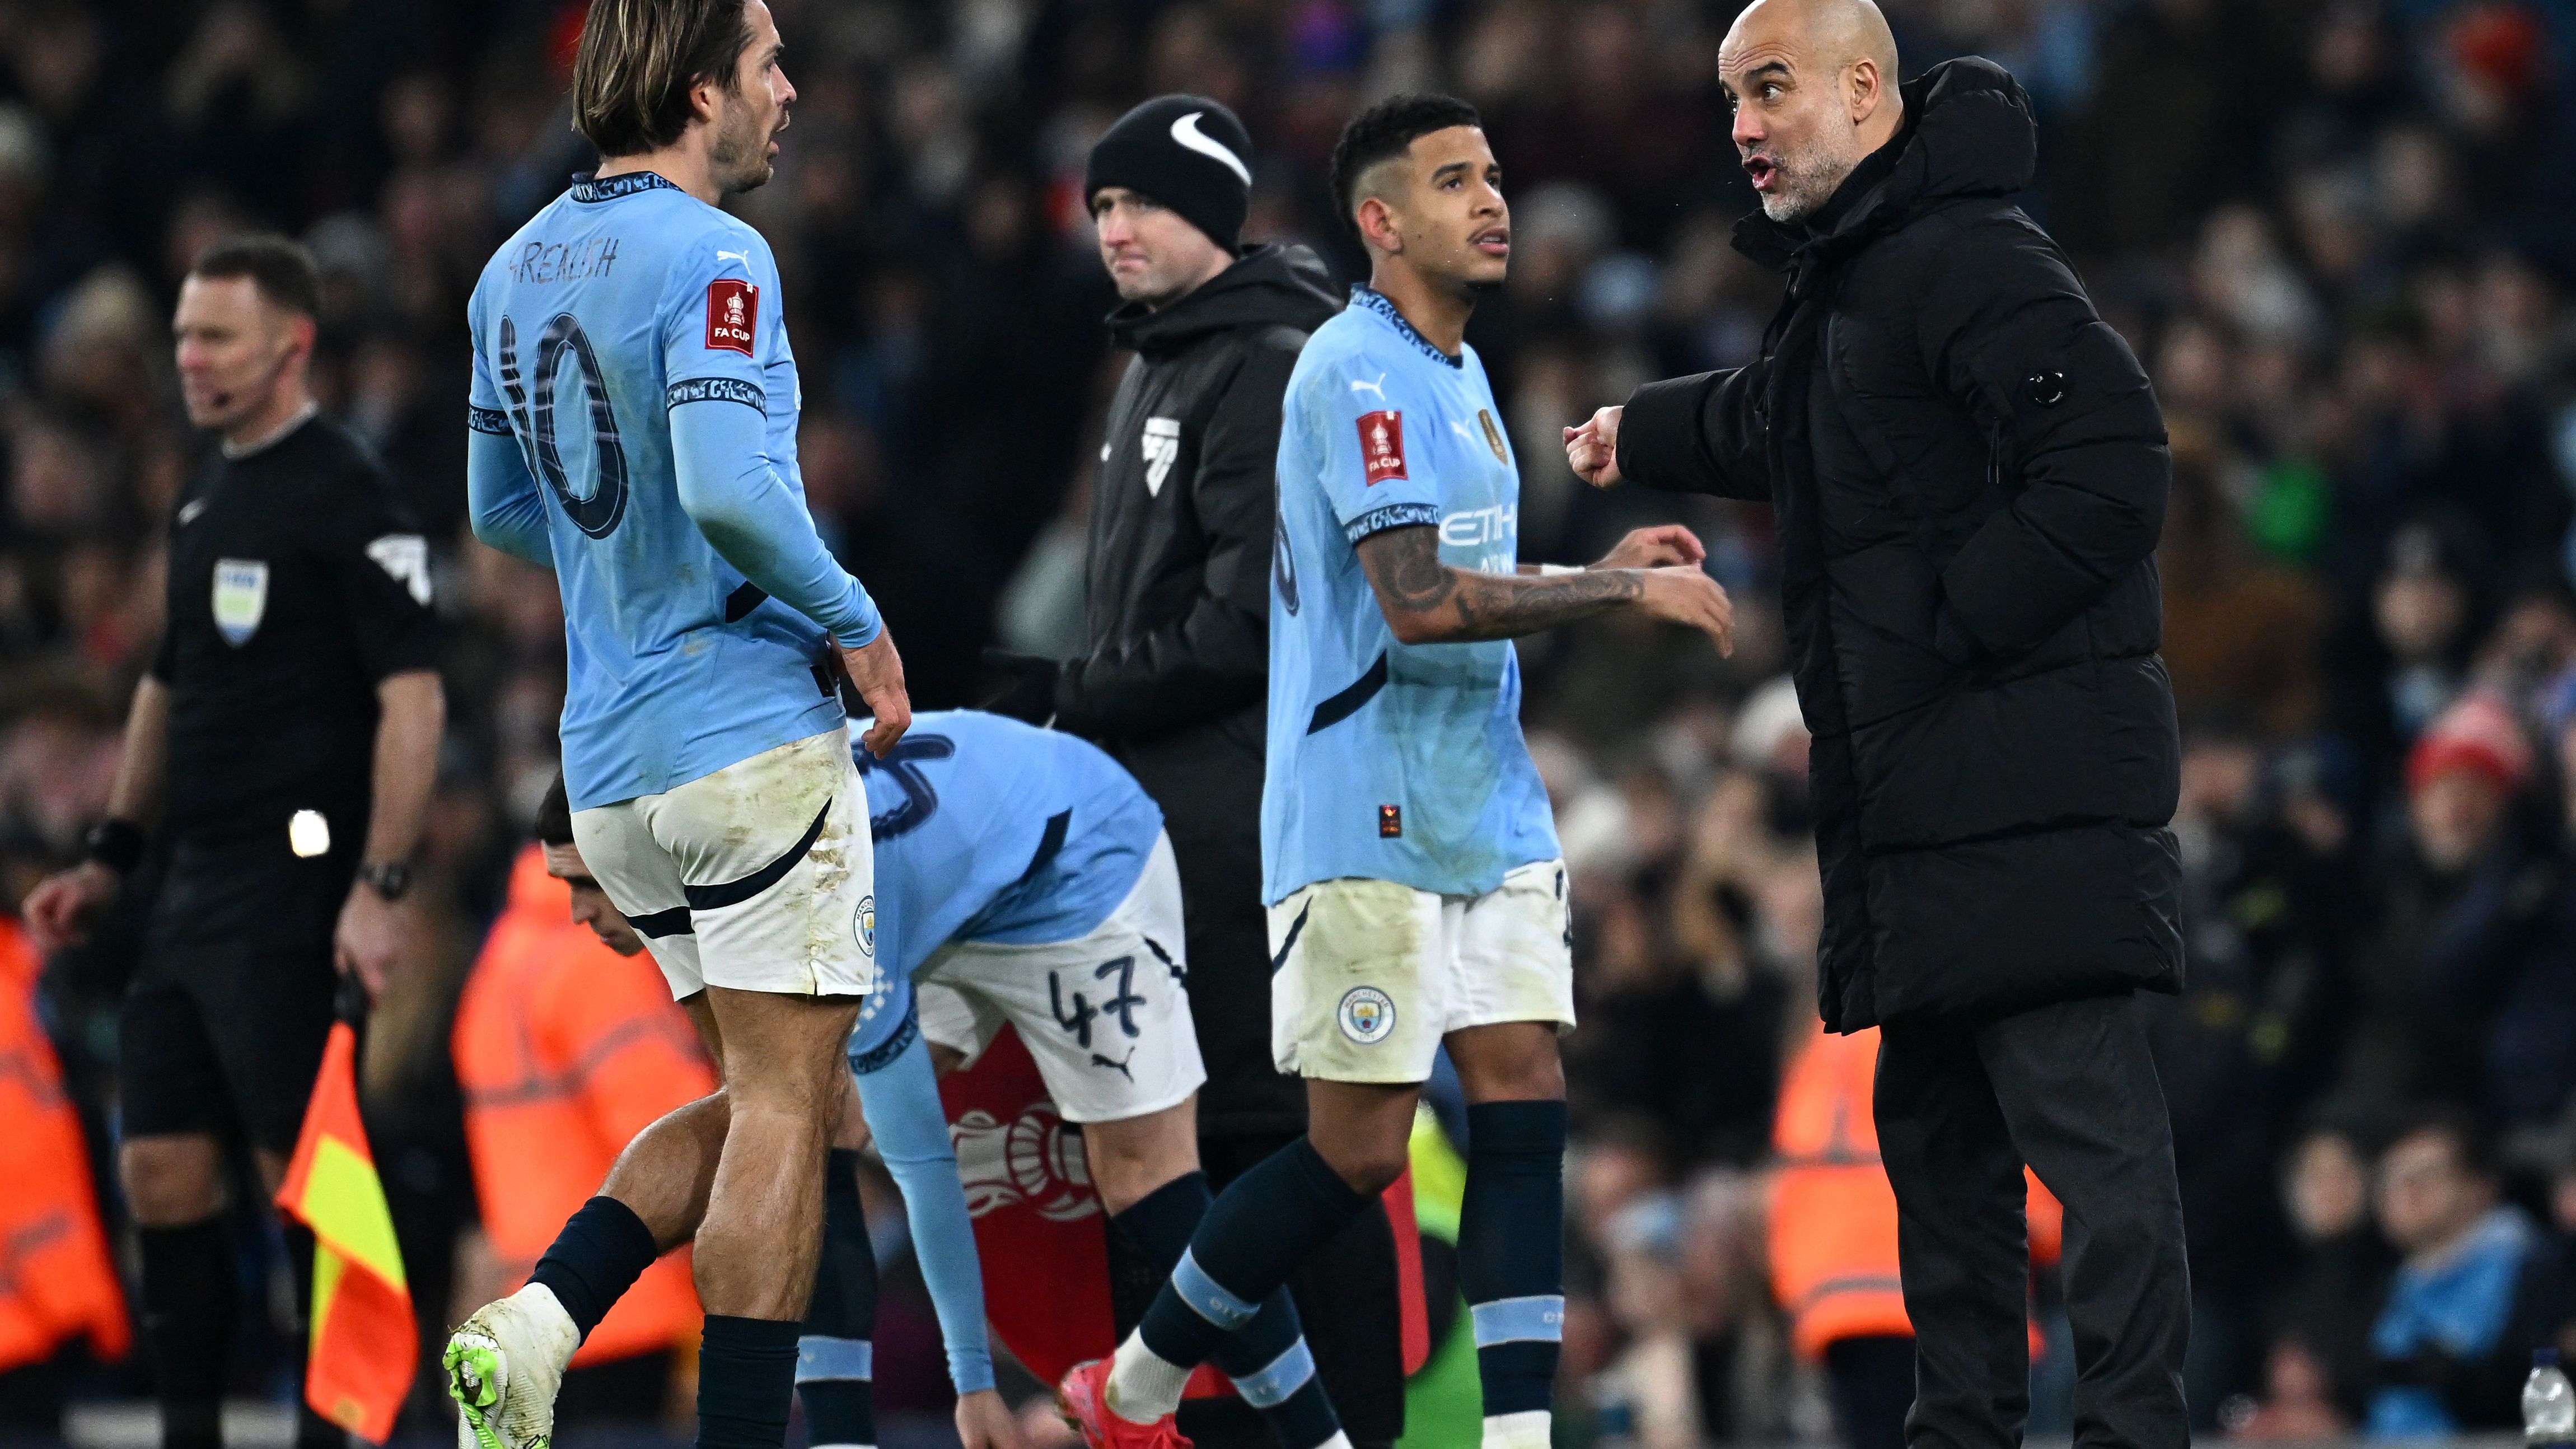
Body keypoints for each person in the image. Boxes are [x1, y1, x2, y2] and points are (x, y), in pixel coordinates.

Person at [1058, 93, 1735, 1449]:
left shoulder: (1464, 378)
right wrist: (1609, 592)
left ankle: (1516, 1434)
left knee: (1525, 1087)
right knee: (1357, 1152)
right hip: (1357, 812)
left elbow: (1459, 576)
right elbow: (1419, 600)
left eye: (1491, 173)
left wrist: (1602, 573)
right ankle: (1134, 1380)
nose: (1491, 200)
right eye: (1452, 182)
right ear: (1380, 223)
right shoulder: (1347, 371)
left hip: (1481, 800)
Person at [1562, 2, 2191, 1446]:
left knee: (2084, 1145)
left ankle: (2133, 1430)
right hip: (1923, 803)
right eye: (1731, 95)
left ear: (1864, 90)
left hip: (2016, 789)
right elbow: (1795, 420)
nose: (1743, 124)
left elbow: (2113, 461)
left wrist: (1949, 626)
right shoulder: (1868, 277)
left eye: (1770, 87)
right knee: (1942, 1159)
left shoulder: (1968, 253)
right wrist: (1638, 428)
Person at [448, 3, 911, 1447]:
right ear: (701, 86)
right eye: (771, 65)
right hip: (743, 732)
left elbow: (495, 510)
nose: (793, 92)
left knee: (768, 1087)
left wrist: (624, 570)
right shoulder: (719, 252)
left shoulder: (506, 271)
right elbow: (726, 483)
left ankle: (542, 1316)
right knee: (788, 1101)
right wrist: (851, 615)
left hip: (610, 762)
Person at [983, 92, 1401, 1449]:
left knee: (1269, 1142)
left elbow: (1245, 622)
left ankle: (1344, 1427)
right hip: (1167, 824)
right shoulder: (1162, 362)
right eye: (1100, 206)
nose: (1114, 229)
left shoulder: (1267, 364)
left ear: (1215, 213)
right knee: (1189, 1150)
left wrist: (1070, 695)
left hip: (1241, 829)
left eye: (1143, 203)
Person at [20, 233, 445, 1449]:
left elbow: (414, 696)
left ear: (291, 345)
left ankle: (353, 1424)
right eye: (183, 337)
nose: (190, 359)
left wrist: (381, 881)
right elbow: (169, 680)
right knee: (160, 1172)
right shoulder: (207, 495)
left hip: (293, 885)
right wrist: (110, 853)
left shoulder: (346, 489)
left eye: (216, 337)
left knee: (305, 1176)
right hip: (187, 886)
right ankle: (193, 1430)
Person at [451, 787, 719, 1429]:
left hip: (541, 1312)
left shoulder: (504, 955)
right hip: (631, 1311)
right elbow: (687, 1150)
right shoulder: (596, 963)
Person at [2363, 1107, 2564, 1436]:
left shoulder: (2532, 1269)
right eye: (2393, 1178)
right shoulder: (2392, 1282)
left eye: (2426, 1175)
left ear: (2481, 1186)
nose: (2406, 1192)